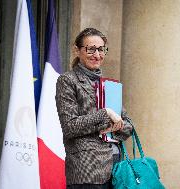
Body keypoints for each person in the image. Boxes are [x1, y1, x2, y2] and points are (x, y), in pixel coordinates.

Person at [55, 27, 133, 189]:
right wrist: (106, 114)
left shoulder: (110, 85)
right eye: (91, 49)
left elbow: (128, 127)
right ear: (77, 50)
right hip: (87, 171)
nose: (97, 55)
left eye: (101, 49)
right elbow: (70, 127)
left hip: (116, 169)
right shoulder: (67, 80)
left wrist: (116, 125)